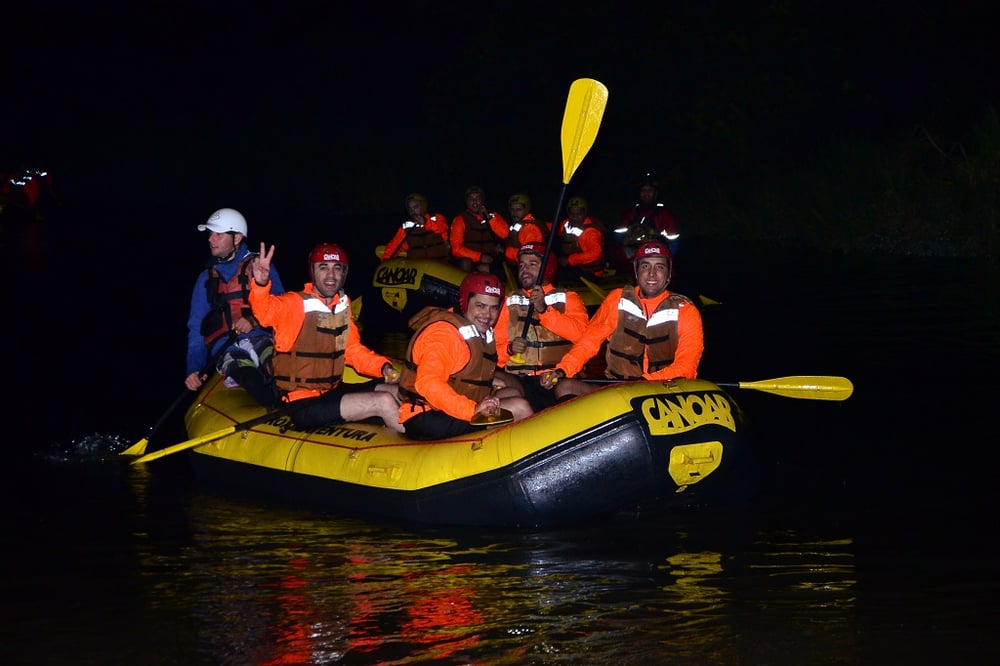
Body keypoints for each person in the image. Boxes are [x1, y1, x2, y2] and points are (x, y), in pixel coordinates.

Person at [249, 242, 404, 432]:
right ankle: (416, 451)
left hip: (332, 392)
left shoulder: (342, 306)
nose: (331, 275)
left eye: (337, 268)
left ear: (344, 273)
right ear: (313, 272)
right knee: (384, 400)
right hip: (303, 403)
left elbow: (352, 351)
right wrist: (261, 285)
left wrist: (383, 367)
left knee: (395, 391)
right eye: (323, 268)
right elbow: (265, 313)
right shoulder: (294, 303)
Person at [540, 241, 703, 400]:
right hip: (618, 388)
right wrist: (562, 370)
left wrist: (643, 383)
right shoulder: (617, 299)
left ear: (668, 274)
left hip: (661, 391)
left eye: (659, 267)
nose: (652, 273)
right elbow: (588, 342)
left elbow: (687, 366)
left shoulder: (686, 310)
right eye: (645, 266)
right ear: (636, 271)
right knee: (566, 387)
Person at [397, 272, 532, 440]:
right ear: (465, 302)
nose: (487, 315)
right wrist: (473, 410)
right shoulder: (444, 334)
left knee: (511, 391)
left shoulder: (476, 331)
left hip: (450, 409)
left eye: (494, 307)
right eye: (480, 306)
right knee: (520, 407)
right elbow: (428, 383)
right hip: (427, 416)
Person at [185, 207, 284, 409]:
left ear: (237, 238)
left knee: (274, 366)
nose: (211, 239)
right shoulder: (205, 279)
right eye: (210, 234)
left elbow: (283, 307)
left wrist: (253, 320)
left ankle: (293, 406)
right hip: (226, 347)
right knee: (248, 376)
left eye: (218, 234)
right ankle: (275, 412)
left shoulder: (261, 266)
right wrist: (194, 368)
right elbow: (196, 330)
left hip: (262, 337)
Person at [494, 243, 590, 411]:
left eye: (533, 264)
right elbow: (494, 350)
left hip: (556, 377)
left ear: (548, 267)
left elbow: (582, 336)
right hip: (521, 380)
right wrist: (509, 349)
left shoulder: (569, 298)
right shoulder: (508, 302)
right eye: (522, 265)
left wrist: (545, 311)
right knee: (498, 384)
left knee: (567, 389)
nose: (525, 269)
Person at [611, 172, 680, 270]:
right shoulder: (630, 213)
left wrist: (666, 261)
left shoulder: (665, 215)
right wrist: (626, 239)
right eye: (643, 190)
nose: (646, 194)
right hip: (633, 255)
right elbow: (618, 236)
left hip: (655, 254)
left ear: (655, 193)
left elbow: (674, 242)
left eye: (650, 191)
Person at [449, 185, 509, 273]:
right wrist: (480, 257)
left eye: (478, 198)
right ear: (466, 202)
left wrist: (489, 218)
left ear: (482, 201)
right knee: (465, 263)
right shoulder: (460, 219)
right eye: (471, 198)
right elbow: (456, 249)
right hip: (471, 260)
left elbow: (505, 234)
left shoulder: (492, 215)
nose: (474, 201)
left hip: (491, 258)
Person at [380, 192, 451, 262]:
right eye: (410, 209)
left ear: (423, 206)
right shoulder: (406, 226)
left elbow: (442, 229)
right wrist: (386, 259)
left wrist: (425, 222)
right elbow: (395, 245)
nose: (413, 211)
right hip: (418, 267)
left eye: (415, 207)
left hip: (440, 264)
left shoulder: (437, 218)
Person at [555, 196, 606, 281]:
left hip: (589, 272)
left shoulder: (591, 231)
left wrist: (569, 260)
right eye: (572, 214)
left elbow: (596, 253)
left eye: (579, 214)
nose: (575, 217)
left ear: (585, 213)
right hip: (571, 265)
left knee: (562, 276)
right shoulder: (565, 223)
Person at [501, 193, 550, 265]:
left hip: (530, 267)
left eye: (518, 209)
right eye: (512, 209)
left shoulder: (530, 228)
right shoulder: (519, 224)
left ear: (526, 210)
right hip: (517, 264)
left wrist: (504, 251)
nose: (514, 213)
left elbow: (529, 255)